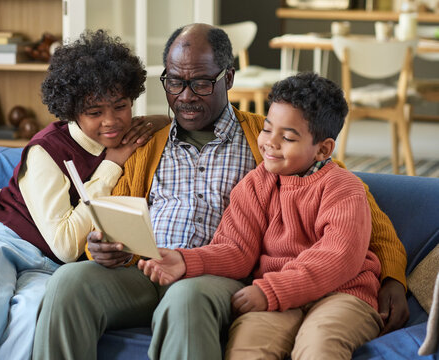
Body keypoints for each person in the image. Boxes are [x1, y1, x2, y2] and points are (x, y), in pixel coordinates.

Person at [32, 23, 408, 360]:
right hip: (144, 267)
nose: (186, 96)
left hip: (216, 276)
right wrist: (99, 246)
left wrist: (392, 277)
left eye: (201, 83)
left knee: (186, 297)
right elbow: (112, 212)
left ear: (228, 77)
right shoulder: (145, 141)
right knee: (69, 283)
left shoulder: (271, 136)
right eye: (175, 82)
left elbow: (359, 211)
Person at [0, 29, 168, 360]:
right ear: (71, 111)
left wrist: (153, 122)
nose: (111, 121)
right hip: (1, 243)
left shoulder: (127, 134)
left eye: (120, 106)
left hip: (46, 269)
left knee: (32, 317)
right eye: (95, 112)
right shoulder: (46, 151)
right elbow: (66, 245)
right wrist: (111, 166)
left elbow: (171, 122)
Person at [139, 72, 383, 359]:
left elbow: (337, 257)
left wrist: (272, 290)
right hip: (276, 298)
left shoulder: (344, 187)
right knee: (247, 350)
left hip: (342, 295)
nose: (270, 143)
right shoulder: (255, 184)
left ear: (323, 149)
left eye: (288, 137)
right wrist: (185, 260)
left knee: (319, 345)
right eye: (267, 129)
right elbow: (237, 250)